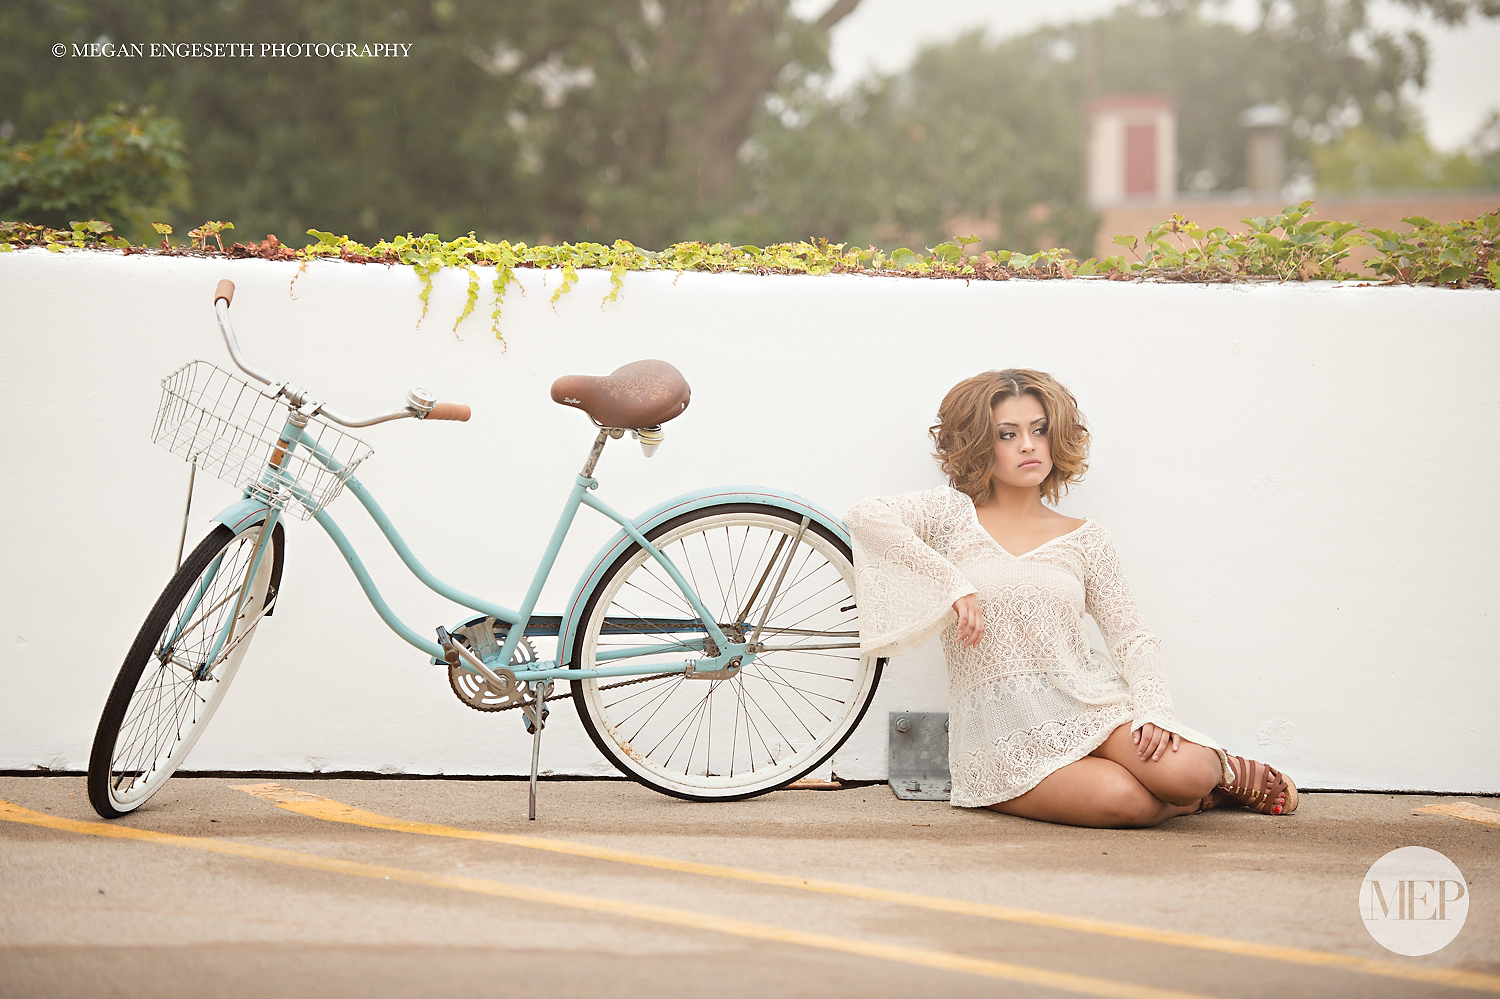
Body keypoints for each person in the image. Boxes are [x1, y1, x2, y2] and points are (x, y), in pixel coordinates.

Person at [844, 368, 1296, 827]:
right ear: (980, 445)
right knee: (1126, 803)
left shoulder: (1087, 539)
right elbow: (866, 515)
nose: (1028, 445)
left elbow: (1131, 637)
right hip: (1003, 736)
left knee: (1190, 770)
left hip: (1090, 704)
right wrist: (952, 583)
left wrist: (1155, 712)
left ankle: (1208, 778)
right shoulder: (950, 515)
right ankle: (1195, 800)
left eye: (1039, 430)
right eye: (1008, 434)